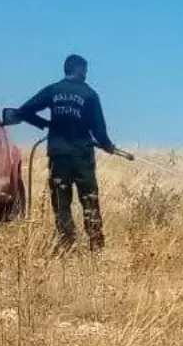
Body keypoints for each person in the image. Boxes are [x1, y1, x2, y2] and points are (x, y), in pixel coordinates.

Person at [15, 54, 133, 251]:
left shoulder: (52, 91)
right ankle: (96, 246)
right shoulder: (89, 94)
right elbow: (99, 130)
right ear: (79, 70)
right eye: (85, 71)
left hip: (58, 154)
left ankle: (67, 245)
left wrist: (46, 124)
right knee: (89, 199)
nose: (86, 75)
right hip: (82, 155)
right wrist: (107, 146)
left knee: (62, 203)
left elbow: (24, 111)